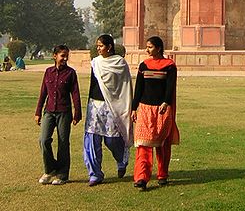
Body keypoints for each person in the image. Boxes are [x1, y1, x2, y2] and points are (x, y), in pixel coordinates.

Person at [83, 34, 133, 187]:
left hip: (112, 105)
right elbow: (93, 85)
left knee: (111, 140)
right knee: (91, 140)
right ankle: (95, 174)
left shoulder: (120, 64)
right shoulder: (95, 63)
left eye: (100, 46)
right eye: (97, 46)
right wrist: (89, 106)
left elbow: (125, 87)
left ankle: (121, 159)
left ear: (109, 47)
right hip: (95, 104)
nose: (98, 48)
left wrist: (127, 106)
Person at [131, 36, 180, 191]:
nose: (147, 50)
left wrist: (166, 102)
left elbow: (170, 87)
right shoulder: (144, 65)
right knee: (143, 144)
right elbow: (139, 88)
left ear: (159, 48)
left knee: (162, 144)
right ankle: (141, 177)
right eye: (147, 47)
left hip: (162, 109)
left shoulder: (169, 66)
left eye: (150, 47)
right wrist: (134, 108)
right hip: (145, 108)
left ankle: (162, 174)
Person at [34, 44, 82, 185]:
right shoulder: (48, 72)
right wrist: (38, 112)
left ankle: (62, 174)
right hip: (49, 111)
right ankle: (50, 170)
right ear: (55, 56)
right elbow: (43, 93)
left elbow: (75, 94)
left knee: (63, 143)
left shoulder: (71, 73)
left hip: (64, 112)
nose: (65, 58)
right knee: (43, 140)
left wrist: (77, 113)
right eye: (62, 55)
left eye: (67, 55)